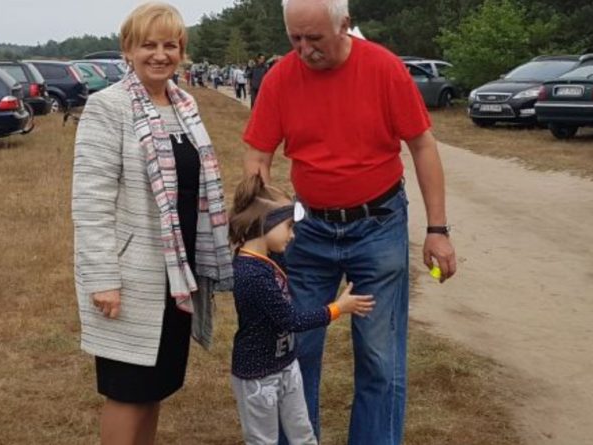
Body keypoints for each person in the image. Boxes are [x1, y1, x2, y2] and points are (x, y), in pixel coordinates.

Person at [242, 0, 457, 443]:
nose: (304, 49)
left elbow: (422, 146)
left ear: (345, 25)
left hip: (378, 225)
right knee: (295, 349)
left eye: (314, 38)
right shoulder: (281, 77)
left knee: (380, 357)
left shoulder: (384, 69)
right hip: (308, 231)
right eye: (295, 39)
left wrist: (437, 230)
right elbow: (258, 155)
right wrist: (257, 230)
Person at [71, 2, 233, 444]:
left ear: (181, 51)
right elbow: (90, 203)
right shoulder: (109, 106)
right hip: (131, 275)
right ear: (127, 50)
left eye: (170, 45)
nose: (160, 55)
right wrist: (103, 279)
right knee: (128, 389)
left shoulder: (184, 105)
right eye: (148, 45)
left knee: (156, 385)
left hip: (178, 272)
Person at [228, 174, 375, 445]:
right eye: (288, 226)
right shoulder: (251, 274)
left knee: (303, 435)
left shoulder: (269, 259)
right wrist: (337, 308)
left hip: (286, 364)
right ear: (265, 224)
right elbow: (291, 320)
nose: (293, 235)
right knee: (263, 441)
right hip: (258, 377)